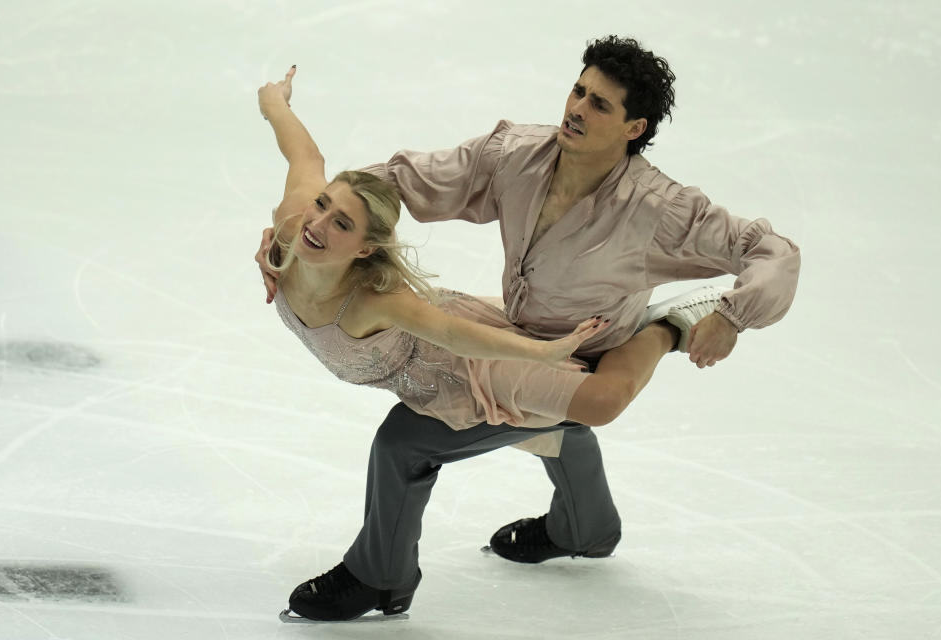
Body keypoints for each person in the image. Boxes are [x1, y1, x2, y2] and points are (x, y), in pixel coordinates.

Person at [256, 36, 800, 622]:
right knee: (532, 410)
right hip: (520, 333)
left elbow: (772, 250)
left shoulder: (659, 210)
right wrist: (317, 220)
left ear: (633, 127)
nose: (577, 109)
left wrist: (733, 315)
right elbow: (400, 181)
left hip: (597, 350)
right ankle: (585, 527)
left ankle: (379, 576)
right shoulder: (518, 155)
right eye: (578, 90)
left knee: (406, 440)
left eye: (600, 105)